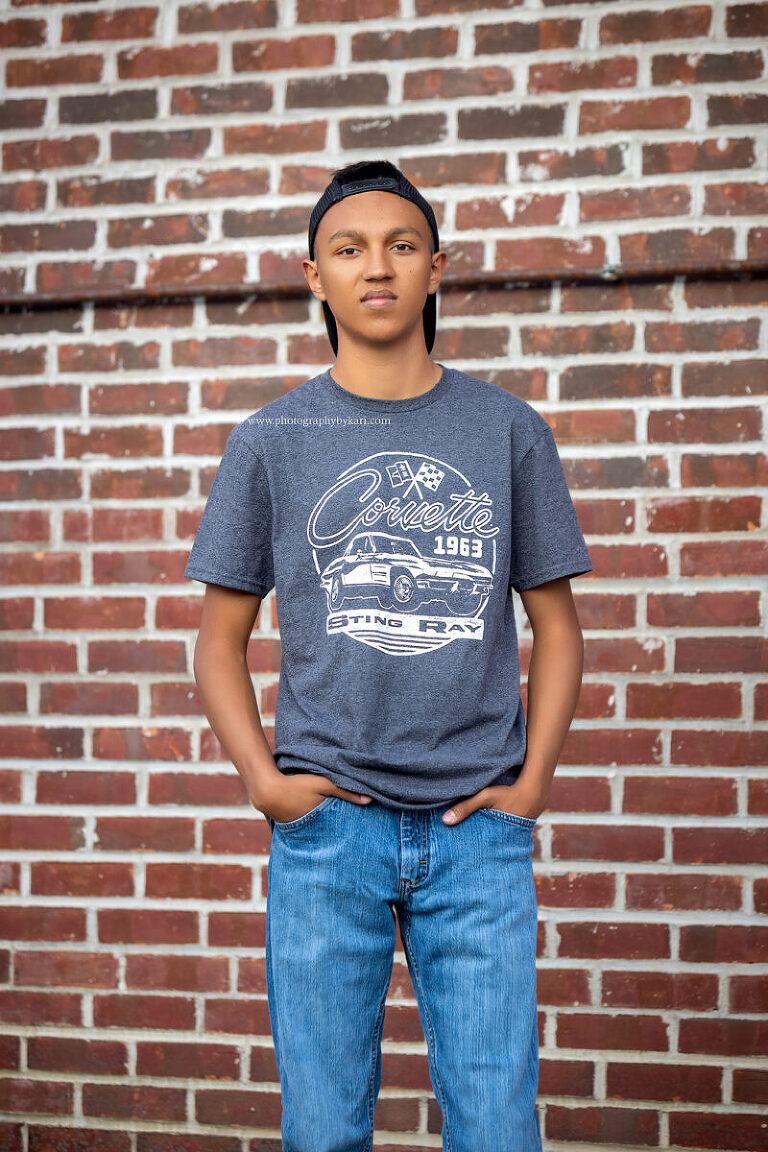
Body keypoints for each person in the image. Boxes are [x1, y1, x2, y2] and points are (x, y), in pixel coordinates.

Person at [184, 159, 593, 1152]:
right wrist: (265, 785)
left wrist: (532, 781)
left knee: (498, 1129)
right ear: (315, 277)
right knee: (324, 1132)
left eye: (403, 244)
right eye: (349, 248)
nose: (379, 265)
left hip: (477, 838)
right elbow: (218, 641)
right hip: (329, 838)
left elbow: (558, 627)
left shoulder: (507, 430)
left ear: (438, 268)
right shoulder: (271, 441)